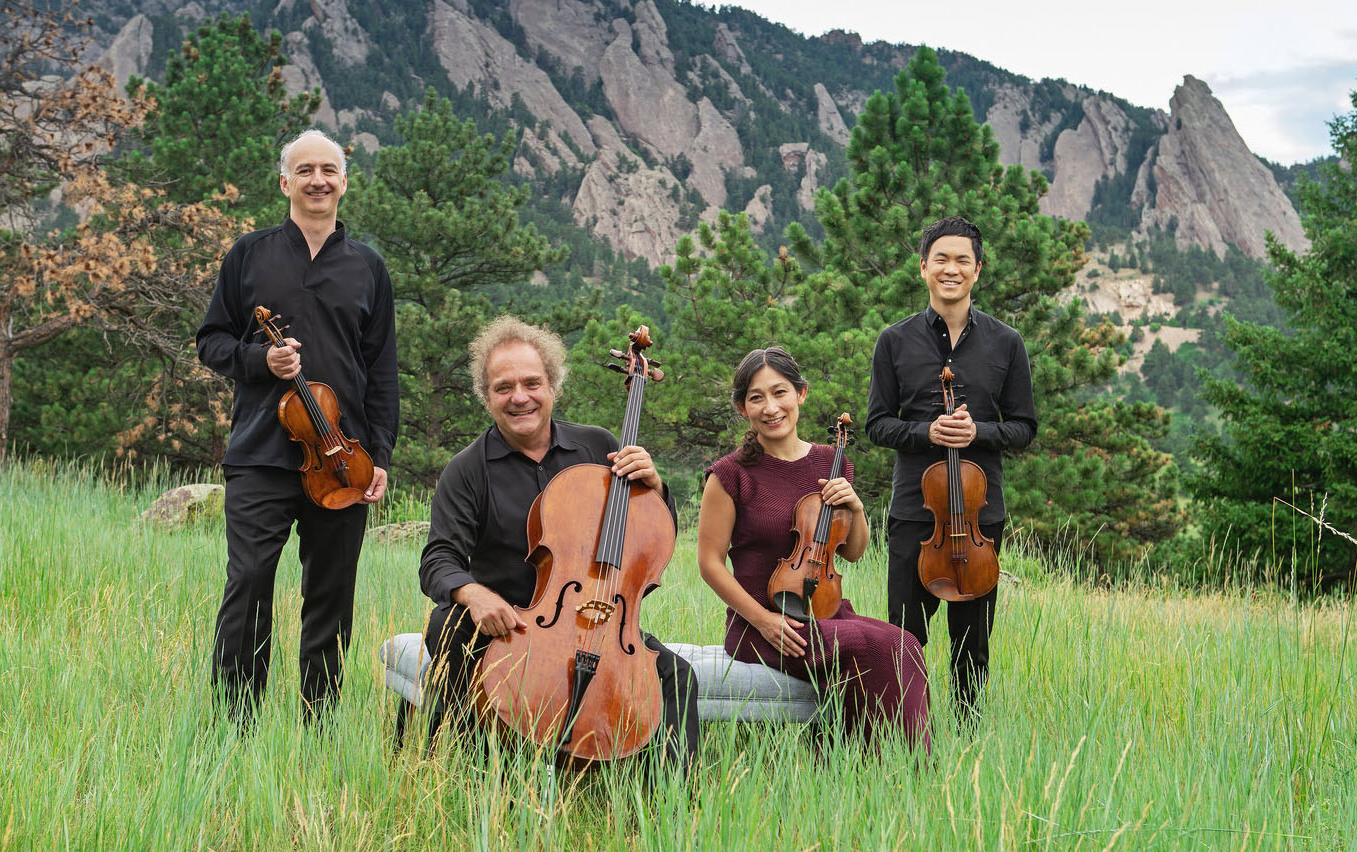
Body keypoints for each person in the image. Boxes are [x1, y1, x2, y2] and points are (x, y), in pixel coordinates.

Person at [418, 316, 699, 772]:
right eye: (503, 387)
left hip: (597, 617)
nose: (520, 397)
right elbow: (438, 558)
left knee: (676, 676)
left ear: (553, 385)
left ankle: (669, 797)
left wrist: (657, 487)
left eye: (532, 382)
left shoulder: (599, 447)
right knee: (447, 624)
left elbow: (652, 536)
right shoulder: (468, 469)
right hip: (508, 621)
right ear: (486, 396)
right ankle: (471, 770)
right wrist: (474, 594)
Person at [196, 129, 398, 724]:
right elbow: (210, 341)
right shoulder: (249, 255)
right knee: (250, 583)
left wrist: (379, 455)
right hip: (260, 453)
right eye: (305, 170)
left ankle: (320, 727)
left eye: (329, 170)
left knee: (331, 595)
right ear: (285, 182)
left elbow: (382, 370)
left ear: (344, 182)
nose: (318, 180)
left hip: (343, 460)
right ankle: (235, 725)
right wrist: (261, 361)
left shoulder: (368, 268)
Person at [697, 347, 931, 751]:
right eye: (756, 397)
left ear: (801, 394)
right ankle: (886, 767)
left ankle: (889, 768)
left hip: (825, 613)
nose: (771, 407)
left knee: (906, 643)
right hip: (764, 627)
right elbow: (709, 563)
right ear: (742, 408)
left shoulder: (830, 461)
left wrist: (855, 507)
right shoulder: (730, 474)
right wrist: (763, 621)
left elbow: (853, 552)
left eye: (780, 392)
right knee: (884, 648)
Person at [866, 216, 1036, 726]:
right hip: (917, 514)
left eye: (963, 259)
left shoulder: (1007, 343)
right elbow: (877, 424)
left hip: (981, 517)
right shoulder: (894, 341)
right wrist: (927, 433)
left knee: (972, 645)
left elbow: (1024, 426)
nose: (951, 269)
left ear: (978, 271)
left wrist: (978, 433)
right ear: (923, 268)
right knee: (903, 640)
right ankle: (901, 738)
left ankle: (968, 737)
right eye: (941, 258)